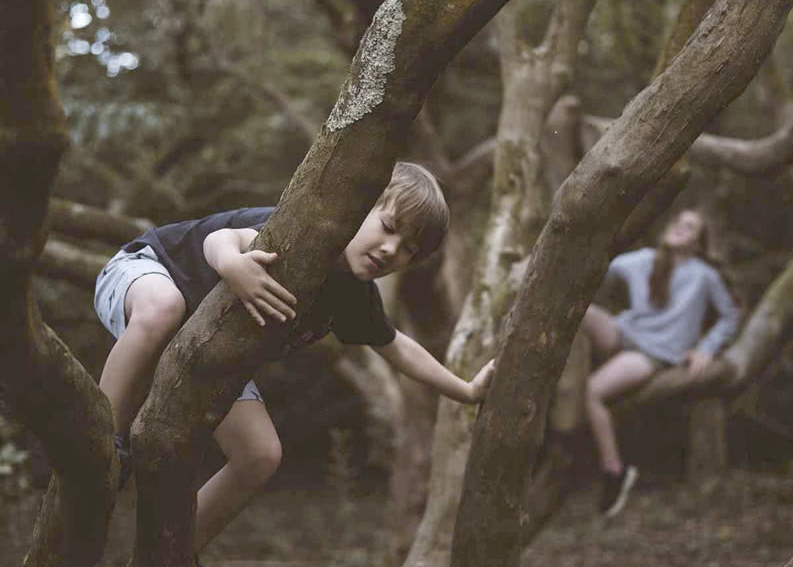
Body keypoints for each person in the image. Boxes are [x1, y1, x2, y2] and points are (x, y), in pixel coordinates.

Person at [94, 161, 495, 559]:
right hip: (144, 273)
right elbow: (220, 240)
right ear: (357, 207)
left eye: (409, 248)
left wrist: (466, 390)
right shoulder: (300, 232)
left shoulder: (353, 295)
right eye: (389, 227)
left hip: (208, 352)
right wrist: (234, 267)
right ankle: (103, 442)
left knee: (260, 454)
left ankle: (173, 553)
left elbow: (398, 347)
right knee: (164, 306)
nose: (391, 249)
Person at [578, 209, 739, 518]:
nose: (679, 227)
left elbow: (730, 316)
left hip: (653, 353)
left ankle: (614, 470)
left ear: (699, 243)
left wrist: (705, 349)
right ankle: (561, 385)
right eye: (678, 221)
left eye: (689, 226)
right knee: (578, 311)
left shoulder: (704, 276)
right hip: (622, 333)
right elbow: (600, 267)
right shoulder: (643, 259)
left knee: (592, 393)